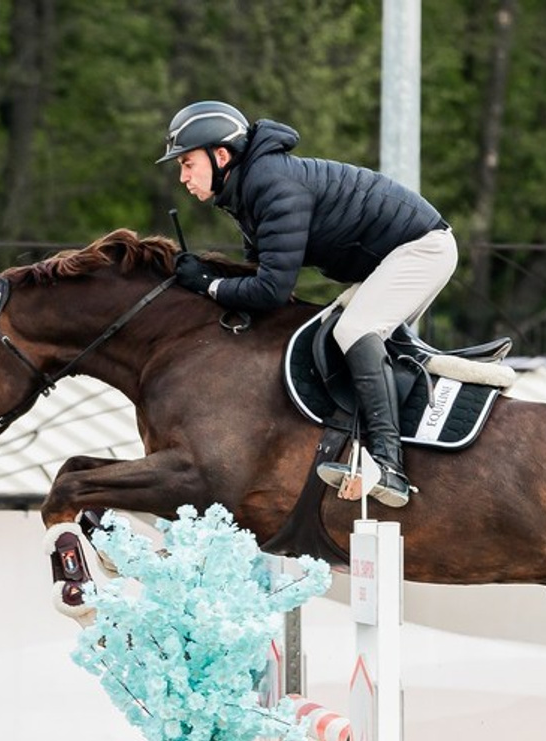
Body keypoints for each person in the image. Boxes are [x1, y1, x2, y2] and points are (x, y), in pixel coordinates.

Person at [158, 100, 457, 509]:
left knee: (354, 330)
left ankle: (389, 466)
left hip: (423, 250)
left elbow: (272, 291)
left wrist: (209, 285)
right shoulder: (246, 189)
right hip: (392, 258)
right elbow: (258, 277)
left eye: (187, 163)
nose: (183, 177)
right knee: (329, 333)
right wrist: (210, 280)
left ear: (221, 156)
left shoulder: (271, 184)